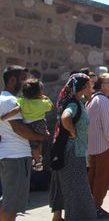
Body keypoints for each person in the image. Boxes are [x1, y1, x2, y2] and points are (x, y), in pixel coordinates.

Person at [0, 66, 48, 221]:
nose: (26, 83)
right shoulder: (10, 101)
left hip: (10, 154)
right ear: (12, 80)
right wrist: (40, 137)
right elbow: (19, 129)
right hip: (16, 156)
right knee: (10, 203)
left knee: (10, 201)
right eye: (23, 79)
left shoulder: (4, 98)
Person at [50, 73, 98, 220]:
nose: (92, 88)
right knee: (77, 191)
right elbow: (66, 117)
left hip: (75, 152)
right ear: (83, 87)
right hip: (73, 153)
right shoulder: (73, 104)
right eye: (90, 85)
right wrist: (72, 131)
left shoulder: (76, 101)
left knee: (70, 189)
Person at [0, 78, 52, 170]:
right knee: (39, 142)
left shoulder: (22, 101)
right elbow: (50, 106)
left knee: (33, 144)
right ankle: (38, 161)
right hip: (40, 125)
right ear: (39, 92)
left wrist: (4, 117)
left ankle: (36, 159)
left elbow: (16, 110)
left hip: (28, 125)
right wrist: (46, 99)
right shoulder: (42, 103)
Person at [87, 73, 109, 218]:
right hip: (104, 146)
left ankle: (90, 205)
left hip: (93, 146)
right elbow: (108, 126)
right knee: (102, 178)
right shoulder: (104, 101)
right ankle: (96, 207)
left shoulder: (92, 100)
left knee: (93, 176)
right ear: (102, 85)